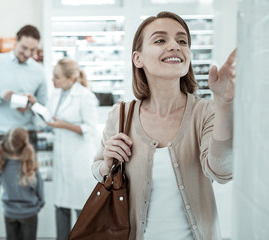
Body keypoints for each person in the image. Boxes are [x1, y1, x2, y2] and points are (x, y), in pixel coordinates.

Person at [92, 11, 236, 240]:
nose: (175, 46)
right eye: (160, 40)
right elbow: (98, 167)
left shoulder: (205, 111)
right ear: (137, 58)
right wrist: (106, 165)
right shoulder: (120, 115)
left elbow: (222, 171)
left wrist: (224, 105)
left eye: (182, 41)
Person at [0, 25, 47, 240]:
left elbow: (44, 110)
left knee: (27, 192)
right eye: (24, 48)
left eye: (32, 50)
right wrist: (0, 96)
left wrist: (33, 104)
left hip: (25, 138)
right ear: (16, 41)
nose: (28, 54)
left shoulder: (39, 71)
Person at [28, 58, 99, 240]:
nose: (53, 80)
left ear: (71, 78)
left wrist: (64, 126)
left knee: (80, 209)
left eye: (57, 77)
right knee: (60, 206)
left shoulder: (85, 96)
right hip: (61, 159)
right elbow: (50, 118)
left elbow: (91, 129)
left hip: (78, 160)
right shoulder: (57, 94)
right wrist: (35, 104)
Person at [0, 127, 45, 240]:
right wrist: (38, 205)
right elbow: (40, 192)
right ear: (26, 144)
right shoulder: (31, 167)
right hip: (29, 213)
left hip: (9, 213)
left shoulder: (1, 166)